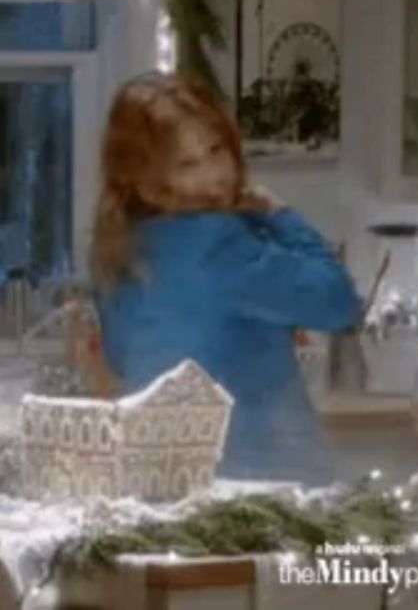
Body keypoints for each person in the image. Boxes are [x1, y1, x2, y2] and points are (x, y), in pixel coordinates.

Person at [90, 72, 362, 484]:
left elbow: (118, 358)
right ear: (147, 182)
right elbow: (339, 302)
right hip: (271, 482)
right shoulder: (219, 243)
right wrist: (280, 215)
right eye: (187, 164)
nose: (215, 174)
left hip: (166, 489)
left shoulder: (118, 248)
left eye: (216, 150)